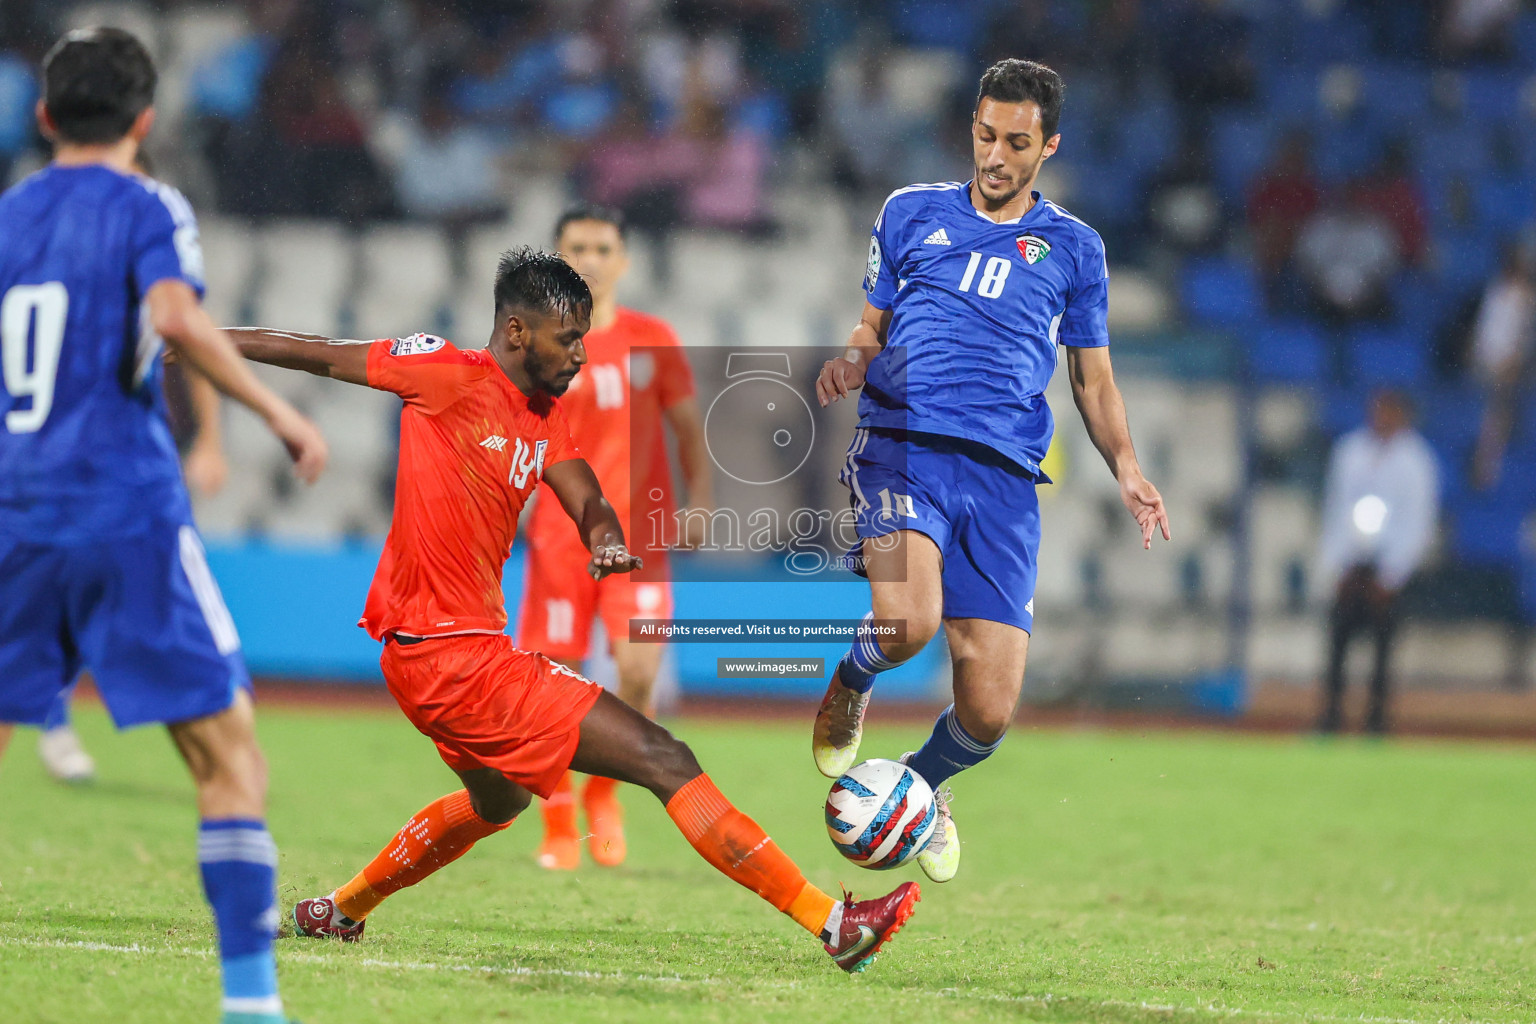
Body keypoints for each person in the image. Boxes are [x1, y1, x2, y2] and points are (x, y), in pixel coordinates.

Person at [230, 248, 919, 973]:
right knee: (665, 757)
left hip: (435, 656)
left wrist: (606, 540)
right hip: (455, 657)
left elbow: (585, 493)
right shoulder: (443, 373)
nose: (582, 355)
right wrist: (206, 339)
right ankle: (833, 923)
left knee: (497, 804)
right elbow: (313, 352)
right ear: (519, 333)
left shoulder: (541, 416)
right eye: (570, 338)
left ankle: (339, 912)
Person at [0, 28, 327, 1024]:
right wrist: (277, 413)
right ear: (145, 122)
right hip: (122, 508)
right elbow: (179, 319)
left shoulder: (9, 215)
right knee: (230, 756)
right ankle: (251, 1002)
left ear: (46, 116)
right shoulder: (150, 205)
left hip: (15, 512)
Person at [811, 59, 1170, 884]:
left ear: (1048, 146)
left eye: (1016, 142)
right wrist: (851, 360)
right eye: (984, 135)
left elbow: (1092, 377)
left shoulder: (1076, 249)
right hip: (906, 443)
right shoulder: (909, 213)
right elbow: (872, 324)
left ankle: (922, 788)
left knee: (990, 711)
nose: (995, 155)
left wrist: (1128, 466)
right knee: (909, 623)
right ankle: (851, 678)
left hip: (1006, 477)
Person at [517, 205, 713, 871]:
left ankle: (604, 793)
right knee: (554, 678)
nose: (591, 259)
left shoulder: (652, 338)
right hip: (561, 534)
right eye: (577, 247)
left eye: (603, 247)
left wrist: (701, 500)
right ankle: (558, 814)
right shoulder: (536, 343)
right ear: (556, 255)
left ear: (623, 260)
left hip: (641, 538)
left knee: (637, 671)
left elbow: (687, 428)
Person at [1316, 390, 1439, 735]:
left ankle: (1376, 720)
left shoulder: (1416, 460)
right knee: (1337, 645)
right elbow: (1335, 510)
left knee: (1383, 652)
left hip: (1389, 569)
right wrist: (1337, 565)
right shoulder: (1350, 452)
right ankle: (1331, 716)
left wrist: (1391, 574)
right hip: (1352, 565)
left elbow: (1417, 522)